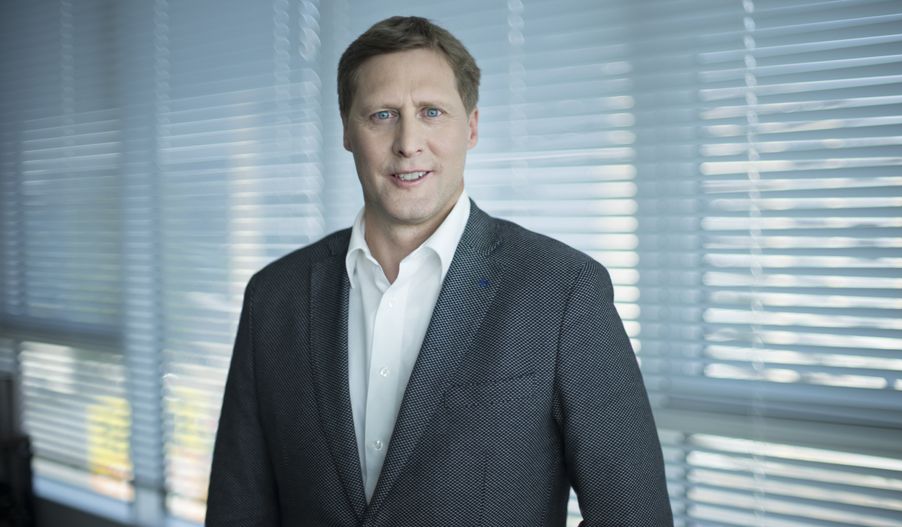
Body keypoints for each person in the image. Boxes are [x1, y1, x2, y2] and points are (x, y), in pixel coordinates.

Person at [206, 16, 672, 526]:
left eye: (432, 112)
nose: (408, 142)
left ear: (470, 127)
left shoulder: (562, 290)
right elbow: (237, 510)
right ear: (347, 130)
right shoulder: (274, 297)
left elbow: (635, 515)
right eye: (382, 115)